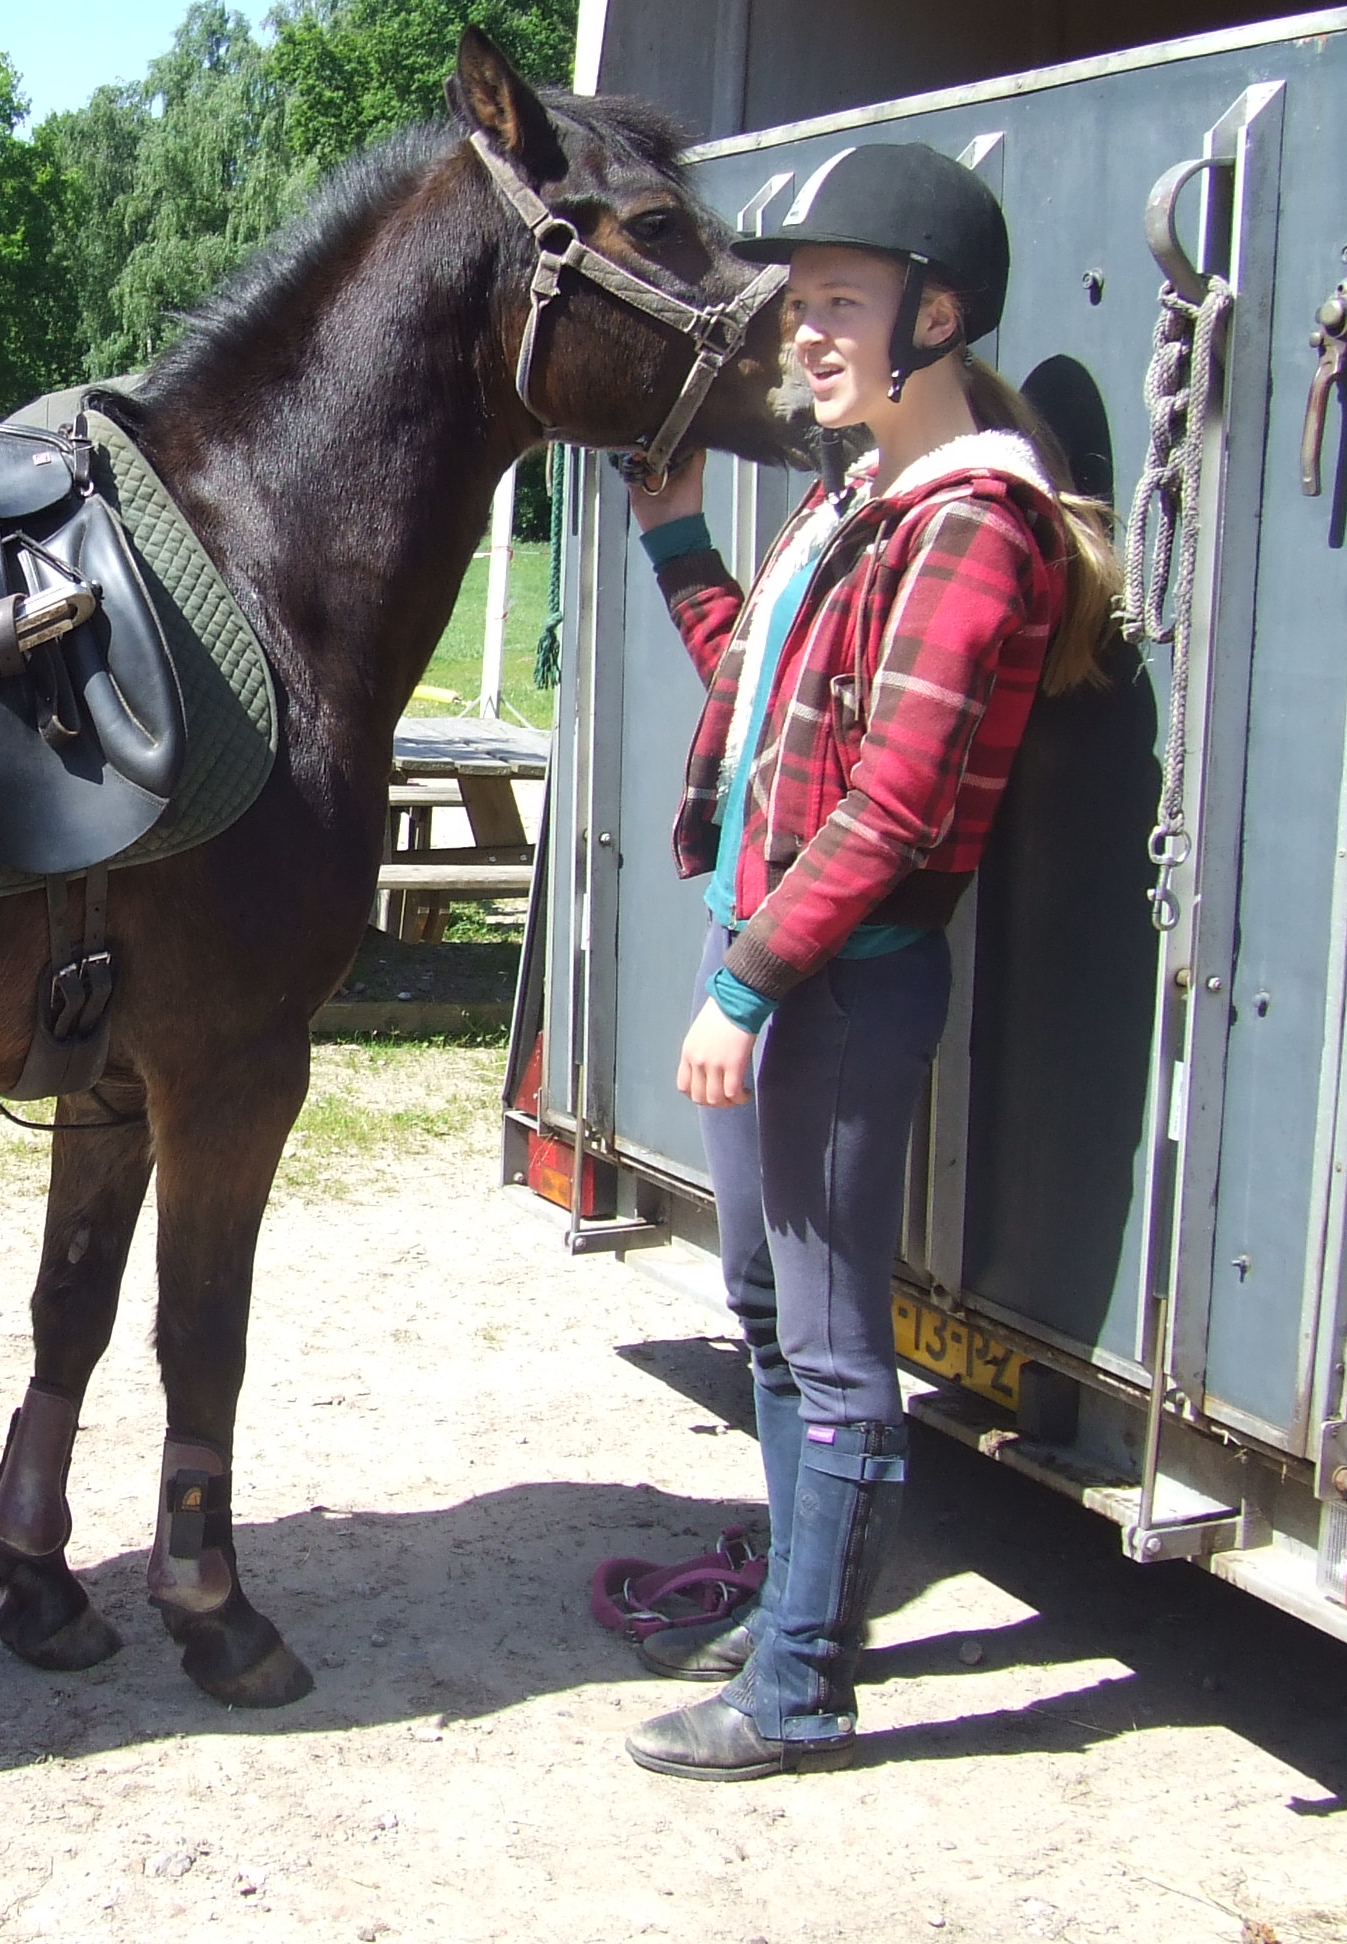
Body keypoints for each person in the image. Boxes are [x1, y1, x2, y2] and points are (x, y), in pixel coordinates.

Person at [614, 145, 1119, 1780]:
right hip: (776, 951)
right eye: (802, 304)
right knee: (766, 1312)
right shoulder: (859, 506)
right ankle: (795, 1612)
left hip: (836, 982)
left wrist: (746, 983)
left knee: (831, 1345)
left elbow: (895, 810)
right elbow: (764, 709)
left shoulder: (976, 523)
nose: (801, 332)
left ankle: (803, 1689)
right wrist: (682, 540)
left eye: (838, 302)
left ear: (939, 315)